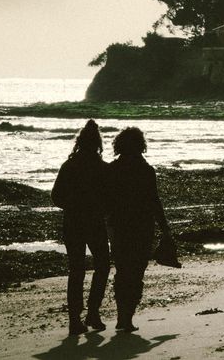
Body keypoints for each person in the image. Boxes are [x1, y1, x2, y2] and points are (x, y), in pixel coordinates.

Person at [105, 126, 173, 332]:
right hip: (142, 226)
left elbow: (105, 200)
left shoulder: (112, 169)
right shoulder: (145, 170)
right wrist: (164, 227)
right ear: (141, 145)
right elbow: (154, 200)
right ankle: (127, 317)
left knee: (122, 270)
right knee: (136, 272)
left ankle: (121, 316)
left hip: (118, 226)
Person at [51, 119, 110, 335]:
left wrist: (74, 206)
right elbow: (111, 200)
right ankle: (93, 312)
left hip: (73, 222)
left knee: (76, 269)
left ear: (79, 142)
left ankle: (75, 319)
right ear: (97, 144)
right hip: (94, 222)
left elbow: (56, 197)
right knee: (102, 266)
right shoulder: (102, 168)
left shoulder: (69, 166)